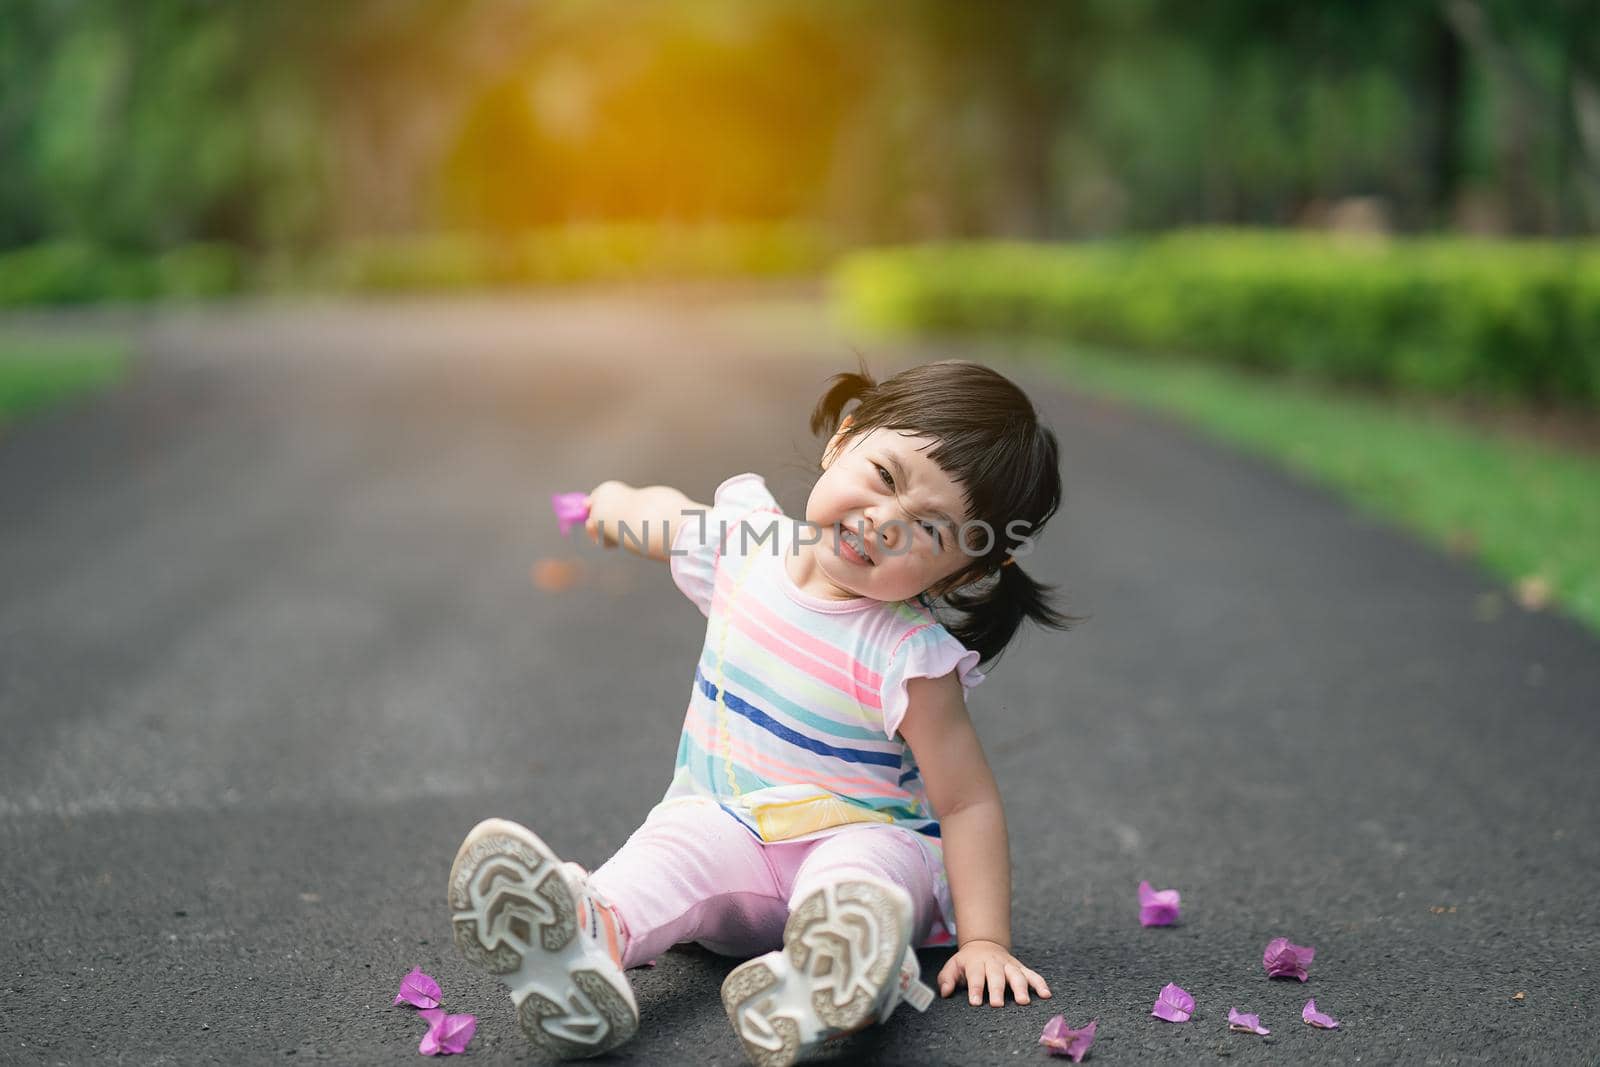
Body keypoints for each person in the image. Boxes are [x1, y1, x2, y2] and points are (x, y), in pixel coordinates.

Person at [447, 359, 1081, 1064]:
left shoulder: (911, 656)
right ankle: (584, 940)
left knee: (870, 864)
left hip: (855, 836)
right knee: (672, 845)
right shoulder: (744, 549)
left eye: (930, 528)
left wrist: (985, 939)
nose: (884, 524)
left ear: (962, 572)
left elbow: (965, 802)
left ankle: (825, 979)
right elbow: (664, 514)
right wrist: (612, 502)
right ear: (844, 439)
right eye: (886, 477)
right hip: (730, 833)